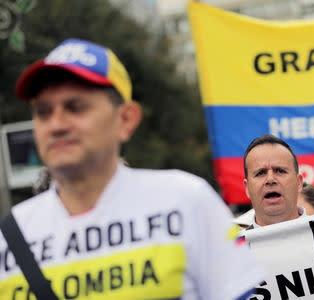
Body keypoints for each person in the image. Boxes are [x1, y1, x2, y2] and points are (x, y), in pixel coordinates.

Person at [0, 38, 264, 300]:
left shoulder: (186, 201)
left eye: (75, 107)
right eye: (44, 112)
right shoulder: (10, 235)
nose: (56, 125)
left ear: (126, 119)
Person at [243, 134, 306, 229]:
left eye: (280, 171)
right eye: (260, 173)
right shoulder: (233, 244)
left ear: (299, 183)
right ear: (247, 188)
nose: (270, 179)